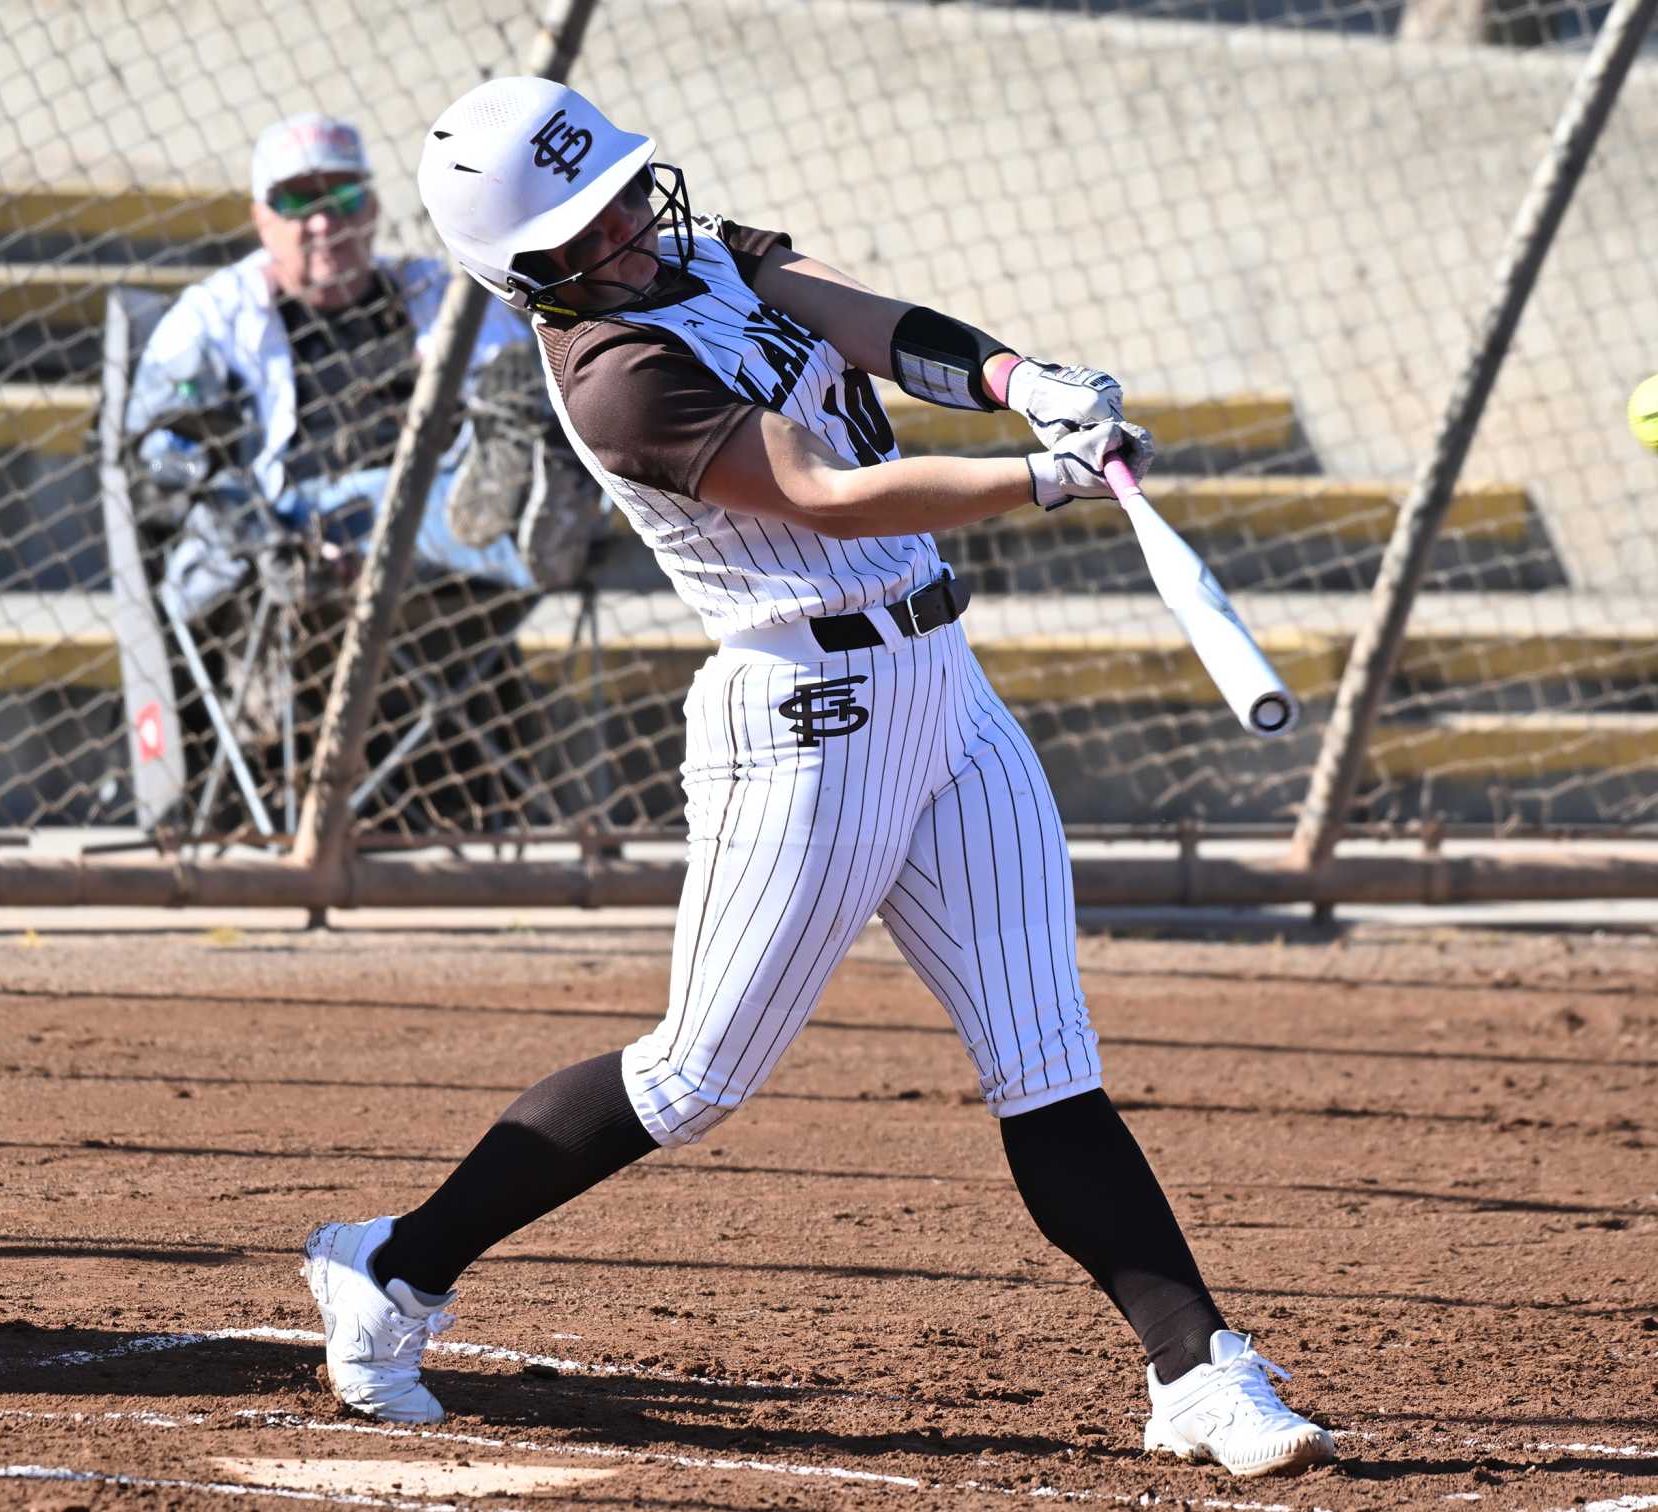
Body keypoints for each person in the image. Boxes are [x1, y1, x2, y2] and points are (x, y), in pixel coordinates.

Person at [298, 77, 1334, 1481]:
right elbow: (827, 494)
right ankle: (397, 1270)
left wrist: (1026, 383)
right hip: (807, 710)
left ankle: (1197, 1372)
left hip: (942, 686)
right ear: (527, 274)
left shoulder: (704, 251)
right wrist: (1041, 482)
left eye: (618, 198)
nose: (626, 234)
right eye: (584, 229)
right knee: (694, 1074)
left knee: (1046, 1060)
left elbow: (879, 326)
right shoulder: (615, 376)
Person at [121, 111, 598, 828]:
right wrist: (256, 528)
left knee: (495, 434)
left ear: (371, 209)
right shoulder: (214, 317)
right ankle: (531, 535)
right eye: (296, 204)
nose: (323, 223)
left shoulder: (432, 296)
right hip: (286, 538)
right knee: (395, 494)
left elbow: (515, 392)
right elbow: (159, 457)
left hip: (439, 570)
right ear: (261, 221)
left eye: (342, 200)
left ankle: (523, 510)